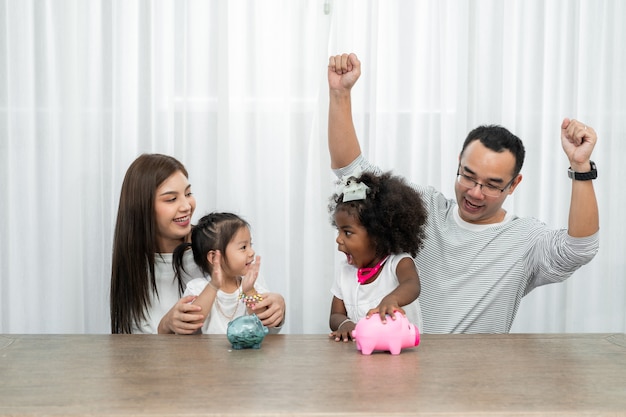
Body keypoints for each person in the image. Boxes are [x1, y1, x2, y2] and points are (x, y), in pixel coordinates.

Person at [327, 53, 600, 333]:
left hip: (475, 372)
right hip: (403, 362)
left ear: (514, 184)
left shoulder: (526, 240)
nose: (475, 193)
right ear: (458, 162)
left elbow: (579, 249)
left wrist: (581, 167)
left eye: (492, 185)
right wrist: (340, 93)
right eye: (468, 176)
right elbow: (353, 173)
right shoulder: (423, 208)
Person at [328, 170, 428, 342]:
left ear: (378, 235)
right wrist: (344, 323)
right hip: (362, 358)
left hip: (402, 356)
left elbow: (412, 285)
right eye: (338, 230)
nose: (338, 239)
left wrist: (392, 299)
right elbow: (335, 314)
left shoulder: (398, 263)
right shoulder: (345, 272)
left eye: (347, 232)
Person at [110, 153, 205, 334]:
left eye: (188, 194)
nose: (186, 206)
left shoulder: (217, 246)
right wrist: (165, 327)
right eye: (171, 199)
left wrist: (274, 312)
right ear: (142, 208)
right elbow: (135, 352)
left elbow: (253, 326)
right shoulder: (133, 265)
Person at [173, 212, 285, 333]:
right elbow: (191, 324)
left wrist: (249, 291)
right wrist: (214, 285)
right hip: (208, 352)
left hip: (247, 351)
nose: (251, 252)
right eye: (243, 247)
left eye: (250, 245)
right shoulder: (197, 288)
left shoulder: (252, 285)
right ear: (214, 257)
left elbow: (265, 322)